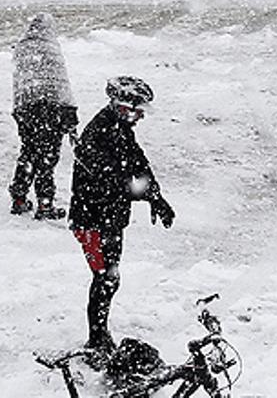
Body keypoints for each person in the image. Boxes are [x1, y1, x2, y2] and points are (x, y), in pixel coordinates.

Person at [68, 76, 175, 357]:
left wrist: (157, 197)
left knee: (110, 278)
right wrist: (144, 193)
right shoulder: (97, 134)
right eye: (138, 110)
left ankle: (100, 335)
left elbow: (139, 163)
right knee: (104, 278)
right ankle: (97, 339)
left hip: (111, 219)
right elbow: (114, 180)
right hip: (91, 221)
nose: (141, 116)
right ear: (122, 105)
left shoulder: (122, 128)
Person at [10, 12, 78, 220]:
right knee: (47, 158)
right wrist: (70, 116)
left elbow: (20, 82)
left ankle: (19, 198)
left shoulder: (22, 48)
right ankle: (44, 204)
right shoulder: (50, 47)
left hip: (25, 109)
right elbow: (60, 84)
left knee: (28, 153)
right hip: (51, 109)